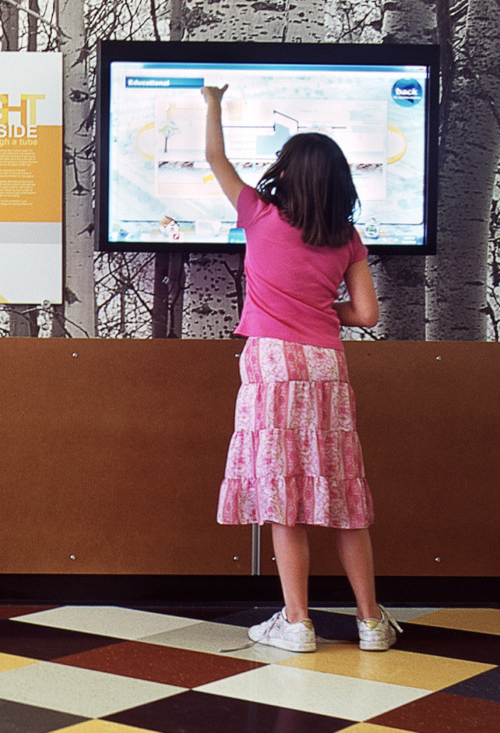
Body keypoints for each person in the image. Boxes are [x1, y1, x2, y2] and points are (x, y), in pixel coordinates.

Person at [201, 84, 400, 653]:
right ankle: (371, 623)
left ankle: (297, 622)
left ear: (285, 175)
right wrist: (317, 308)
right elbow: (366, 314)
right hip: (325, 363)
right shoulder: (346, 238)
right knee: (342, 491)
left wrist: (212, 105)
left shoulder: (260, 214)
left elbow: (215, 157)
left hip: (271, 360)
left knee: (283, 494)